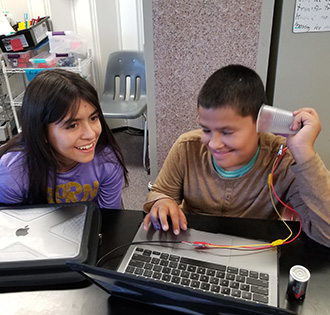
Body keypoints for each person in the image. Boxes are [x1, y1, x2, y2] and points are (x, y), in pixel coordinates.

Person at [143, 64, 330, 247]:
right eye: (206, 129)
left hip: (253, 249)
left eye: (227, 132)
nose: (214, 144)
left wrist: (303, 152)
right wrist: (162, 201)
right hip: (195, 246)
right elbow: (161, 192)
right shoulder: (187, 147)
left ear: (262, 124)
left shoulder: (283, 160)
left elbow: (326, 235)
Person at [0, 69, 128, 208]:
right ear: (42, 132)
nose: (91, 134)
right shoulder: (13, 171)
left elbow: (110, 218)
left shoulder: (107, 160)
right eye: (72, 125)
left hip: (90, 225)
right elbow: (9, 224)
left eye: (93, 118)